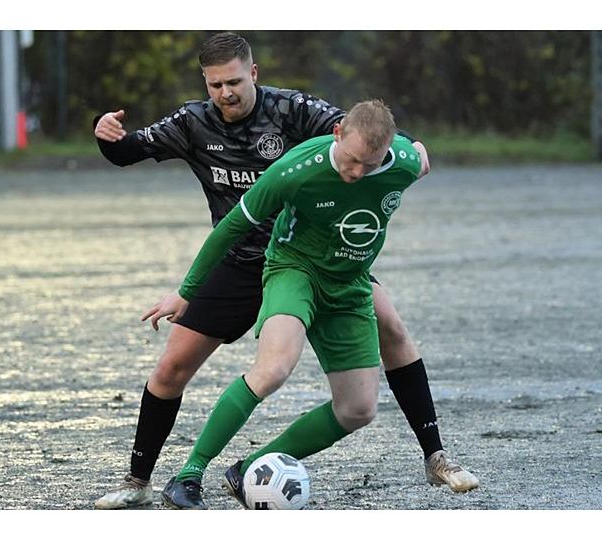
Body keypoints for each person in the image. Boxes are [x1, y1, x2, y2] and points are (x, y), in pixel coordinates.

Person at [93, 32, 477, 509]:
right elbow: (127, 150)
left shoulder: (293, 110)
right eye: (214, 85)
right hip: (242, 260)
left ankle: (435, 455)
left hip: (322, 254)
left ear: (252, 73)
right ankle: (140, 481)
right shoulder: (193, 122)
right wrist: (105, 134)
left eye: (233, 81)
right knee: (173, 367)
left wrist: (408, 151)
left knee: (392, 332)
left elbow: (364, 134)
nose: (225, 92)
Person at [160, 99, 430, 509]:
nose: (357, 173)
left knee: (358, 409)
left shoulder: (403, 163)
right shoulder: (294, 169)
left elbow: (421, 159)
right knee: (273, 369)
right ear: (337, 134)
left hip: (349, 281)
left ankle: (246, 469)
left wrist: (417, 154)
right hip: (293, 269)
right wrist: (187, 291)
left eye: (370, 165)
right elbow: (229, 229)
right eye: (352, 160)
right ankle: (188, 475)